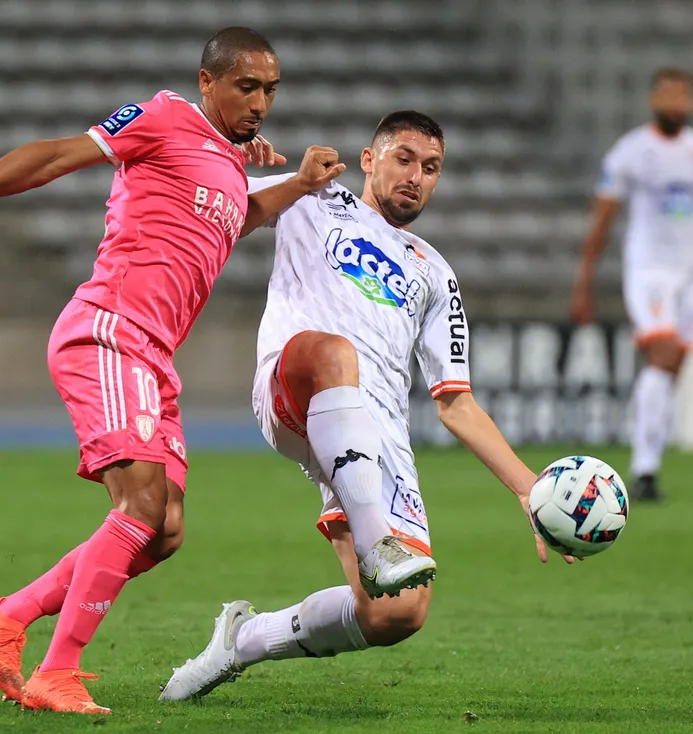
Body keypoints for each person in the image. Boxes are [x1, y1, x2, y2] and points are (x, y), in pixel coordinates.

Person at [0, 27, 345, 715]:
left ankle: (7, 615)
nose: (260, 102)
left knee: (162, 532)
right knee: (138, 506)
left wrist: (300, 184)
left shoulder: (227, 164)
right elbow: (57, 156)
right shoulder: (164, 117)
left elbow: (240, 215)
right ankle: (56, 671)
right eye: (246, 86)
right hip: (110, 331)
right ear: (207, 82)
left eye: (271, 89)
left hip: (153, 356)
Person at [159, 110, 575, 702]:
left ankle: (243, 640)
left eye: (431, 168)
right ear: (369, 158)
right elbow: (220, 206)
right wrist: (233, 154)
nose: (417, 177)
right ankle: (378, 535)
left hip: (374, 437)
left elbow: (455, 402)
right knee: (333, 352)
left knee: (397, 613)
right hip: (293, 380)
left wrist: (528, 490)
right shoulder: (312, 196)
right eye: (404, 159)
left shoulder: (435, 274)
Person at [570, 67, 693, 503]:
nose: (674, 103)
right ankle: (643, 469)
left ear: (690, 103)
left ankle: (649, 465)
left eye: (682, 96)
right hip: (649, 271)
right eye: (667, 95)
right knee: (663, 356)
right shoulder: (631, 152)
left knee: (672, 369)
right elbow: (602, 221)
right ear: (653, 101)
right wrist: (584, 281)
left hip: (692, 275)